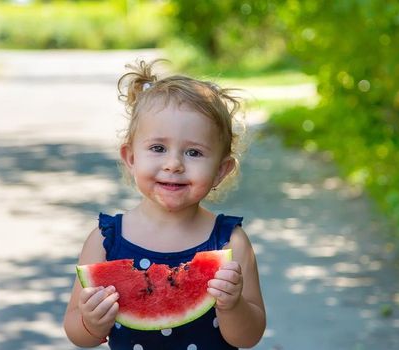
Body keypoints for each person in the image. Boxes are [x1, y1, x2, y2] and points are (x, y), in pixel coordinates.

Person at [63, 59, 266, 349]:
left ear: (221, 170)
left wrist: (232, 307)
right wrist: (90, 323)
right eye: (158, 148)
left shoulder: (230, 243)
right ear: (131, 158)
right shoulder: (105, 240)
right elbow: (76, 332)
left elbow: (249, 337)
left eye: (194, 152)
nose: (173, 164)